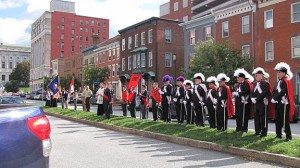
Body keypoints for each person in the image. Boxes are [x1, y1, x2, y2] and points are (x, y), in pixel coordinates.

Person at [272, 62, 295, 141]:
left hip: (284, 103)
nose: (278, 74)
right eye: (277, 72)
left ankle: (288, 136)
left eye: (279, 72)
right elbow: (274, 91)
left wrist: (275, 98)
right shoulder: (279, 81)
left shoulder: (286, 81)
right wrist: (274, 97)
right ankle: (278, 134)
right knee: (277, 119)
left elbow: (283, 91)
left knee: (285, 120)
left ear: (284, 73)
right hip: (278, 103)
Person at [251, 67, 271, 137]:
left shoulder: (265, 83)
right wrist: (252, 98)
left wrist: (256, 99)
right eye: (255, 75)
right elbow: (252, 92)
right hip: (256, 104)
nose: (255, 76)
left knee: (263, 118)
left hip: (262, 103)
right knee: (256, 118)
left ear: (261, 76)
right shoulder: (254, 84)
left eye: (257, 75)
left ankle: (264, 132)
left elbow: (264, 93)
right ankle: (257, 131)